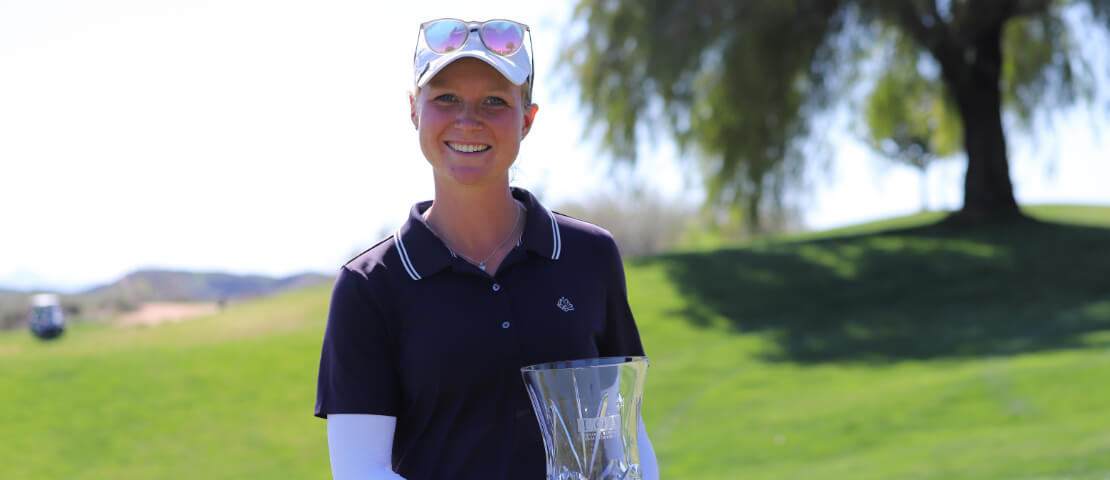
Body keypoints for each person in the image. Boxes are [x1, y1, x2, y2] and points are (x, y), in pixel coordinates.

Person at [314, 17, 658, 480]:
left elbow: (623, 433)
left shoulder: (590, 256)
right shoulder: (369, 287)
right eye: (446, 99)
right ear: (415, 110)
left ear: (527, 119)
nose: (468, 119)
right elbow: (361, 470)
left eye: (495, 101)